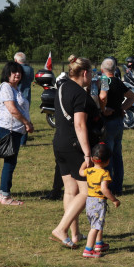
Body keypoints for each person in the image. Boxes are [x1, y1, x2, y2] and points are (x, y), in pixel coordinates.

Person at [50, 56, 100, 248]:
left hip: (59, 142)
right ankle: (61, 229)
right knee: (87, 191)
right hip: (74, 146)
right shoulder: (80, 94)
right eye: (92, 74)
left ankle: (75, 234)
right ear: (85, 73)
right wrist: (87, 154)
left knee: (70, 191)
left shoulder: (61, 86)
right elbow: (80, 125)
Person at [0, 61, 34, 206]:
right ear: (7, 74)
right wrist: (26, 123)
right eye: (13, 72)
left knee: (11, 162)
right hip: (8, 129)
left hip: (16, 129)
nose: (17, 74)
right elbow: (12, 109)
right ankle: (4, 196)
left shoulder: (16, 88)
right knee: (9, 163)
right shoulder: (6, 87)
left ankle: (4, 193)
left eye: (19, 72)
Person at [98, 58, 134, 194]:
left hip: (108, 121)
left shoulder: (104, 80)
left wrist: (103, 109)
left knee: (106, 155)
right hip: (118, 121)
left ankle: (107, 186)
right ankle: (118, 187)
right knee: (117, 155)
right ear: (115, 69)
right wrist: (122, 108)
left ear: (102, 69)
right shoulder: (119, 82)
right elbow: (132, 97)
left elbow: (103, 97)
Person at [81, 142, 121, 258]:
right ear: (108, 161)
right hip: (98, 203)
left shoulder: (89, 171)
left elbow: (80, 172)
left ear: (93, 159)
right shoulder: (104, 173)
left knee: (98, 223)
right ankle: (88, 250)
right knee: (95, 227)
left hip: (89, 201)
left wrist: (86, 161)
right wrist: (114, 200)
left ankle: (99, 244)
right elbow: (104, 189)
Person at [14, 52, 34, 146]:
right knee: (25, 117)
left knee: (16, 117)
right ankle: (23, 141)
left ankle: (16, 139)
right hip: (26, 95)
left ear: (16, 60)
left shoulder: (15, 69)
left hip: (17, 94)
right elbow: (30, 80)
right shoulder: (30, 69)